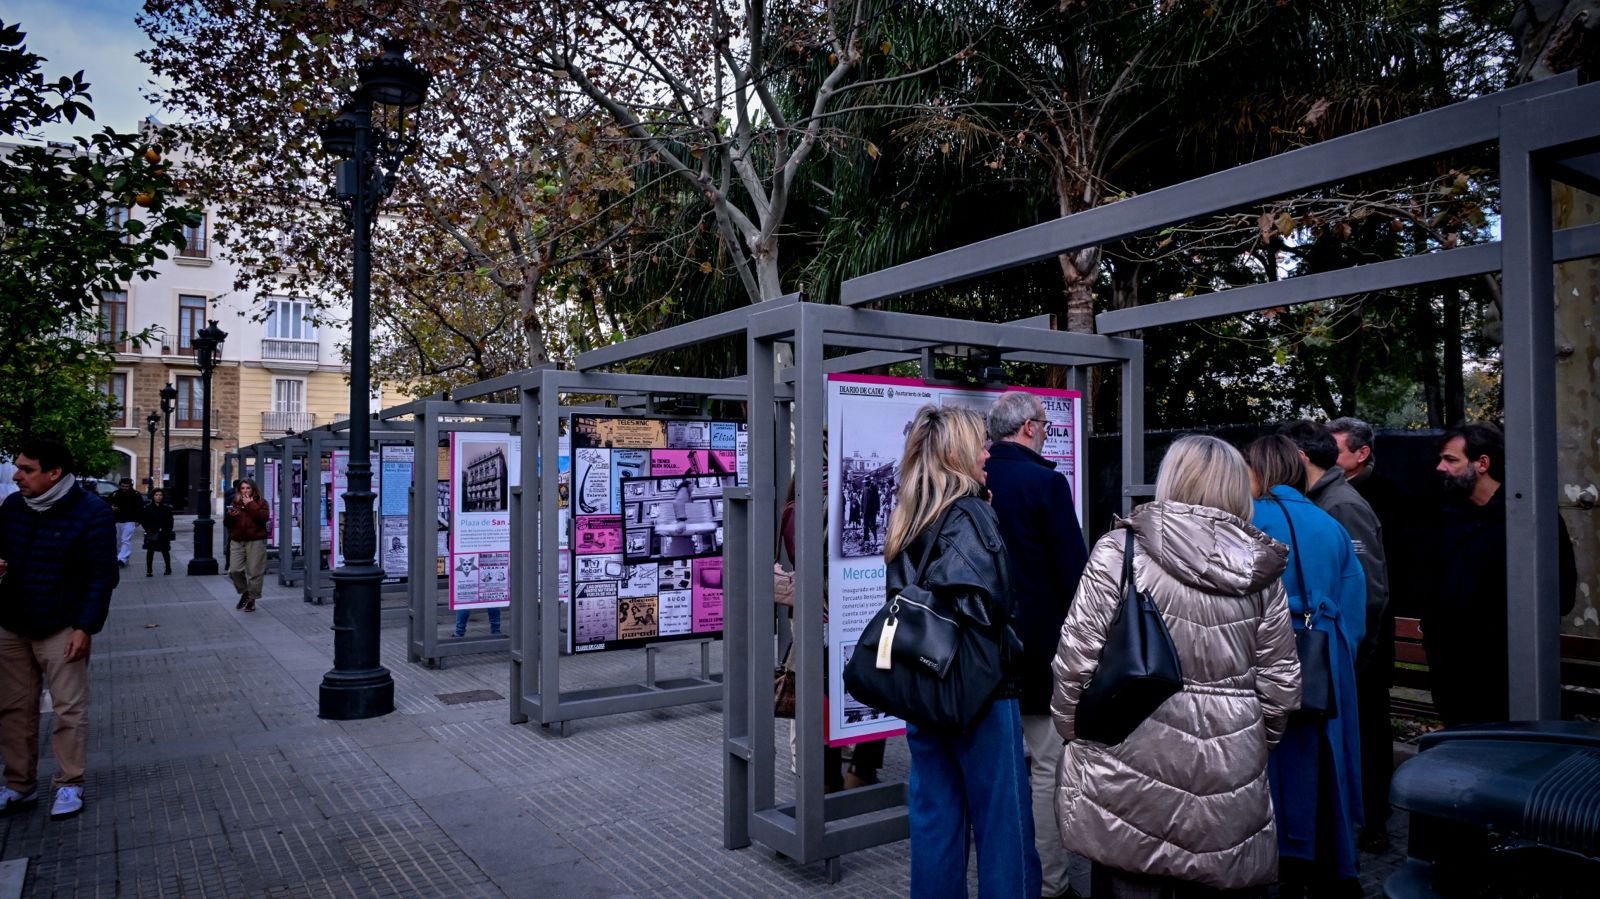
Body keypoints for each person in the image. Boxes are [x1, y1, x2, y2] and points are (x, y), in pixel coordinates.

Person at [1053, 435, 1300, 898]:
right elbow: (1281, 684)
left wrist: (1077, 733)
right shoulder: (1261, 570)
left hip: (1126, 760)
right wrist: (1249, 743)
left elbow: (1074, 659)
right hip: (1229, 770)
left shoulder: (1119, 550)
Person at [886, 404, 1038, 898]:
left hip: (922, 686)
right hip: (981, 691)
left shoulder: (907, 510)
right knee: (1004, 828)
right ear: (957, 452)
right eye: (979, 442)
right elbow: (990, 606)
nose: (987, 451)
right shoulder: (972, 512)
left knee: (935, 821)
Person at [1244, 435, 1366, 898]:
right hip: (1324, 661)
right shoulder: (1329, 525)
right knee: (1322, 765)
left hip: (1260, 663)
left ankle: (1270, 866)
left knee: (1266, 768)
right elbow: (1355, 611)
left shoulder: (1245, 520)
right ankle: (1327, 864)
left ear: (1258, 471)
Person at [983, 391, 1091, 899]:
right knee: (1047, 765)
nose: (1047, 431)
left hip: (979, 651)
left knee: (997, 765)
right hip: (1037, 650)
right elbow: (1076, 574)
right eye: (1044, 424)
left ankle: (1002, 874)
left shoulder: (972, 481)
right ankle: (1052, 883)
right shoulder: (1045, 483)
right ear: (1027, 427)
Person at [1422, 423, 1577, 726]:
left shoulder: (1530, 518)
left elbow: (1561, 595)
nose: (1440, 467)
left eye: (1451, 460)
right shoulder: (1448, 518)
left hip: (1504, 677)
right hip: (1453, 677)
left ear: (1482, 463)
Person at [0, 437, 118, 819]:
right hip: (13, 622)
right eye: (18, 468)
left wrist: (84, 627)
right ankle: (19, 785)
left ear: (54, 473)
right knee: (14, 708)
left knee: (69, 709)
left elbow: (102, 576)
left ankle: (69, 784)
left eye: (27, 470)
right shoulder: (13, 507)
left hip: (61, 625)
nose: (17, 476)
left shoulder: (92, 512)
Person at [1325, 416, 1411, 851]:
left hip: (1365, 643)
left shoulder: (1381, 498)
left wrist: (1365, 641)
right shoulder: (1322, 495)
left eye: (1335, 449)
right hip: (1349, 638)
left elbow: (1377, 583)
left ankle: (1375, 818)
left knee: (1371, 729)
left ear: (1361, 454)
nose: (1326, 457)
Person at [780, 477, 886, 791]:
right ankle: (857, 770)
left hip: (820, 614)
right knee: (868, 688)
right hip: (846, 612)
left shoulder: (796, 504)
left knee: (826, 693)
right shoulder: (823, 507)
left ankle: (827, 774)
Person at [223, 478, 270, 612]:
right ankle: (245, 592)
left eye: (248, 488)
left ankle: (252, 599)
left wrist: (250, 504)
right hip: (237, 540)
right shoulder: (235, 502)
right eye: (242, 488)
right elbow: (227, 524)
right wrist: (231, 516)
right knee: (234, 570)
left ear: (253, 489)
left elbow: (263, 517)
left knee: (255, 572)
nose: (245, 491)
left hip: (255, 540)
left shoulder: (261, 502)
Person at [107, 477, 145, 568]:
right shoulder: (115, 494)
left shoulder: (136, 494)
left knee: (125, 540)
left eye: (127, 486)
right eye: (123, 486)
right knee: (118, 541)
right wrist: (111, 507)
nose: (124, 488)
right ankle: (124, 559)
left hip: (130, 521)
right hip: (117, 520)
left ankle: (121, 558)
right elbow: (107, 503)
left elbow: (140, 508)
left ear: (130, 486)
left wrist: (139, 520)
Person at [143, 488, 176, 577]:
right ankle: (149, 570)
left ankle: (168, 568)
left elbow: (170, 521)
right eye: (156, 495)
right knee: (150, 551)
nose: (158, 497)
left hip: (163, 533)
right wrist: (150, 529)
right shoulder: (148, 508)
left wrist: (166, 531)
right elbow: (144, 521)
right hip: (152, 533)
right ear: (153, 496)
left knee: (165, 551)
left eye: (160, 495)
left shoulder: (167, 509)